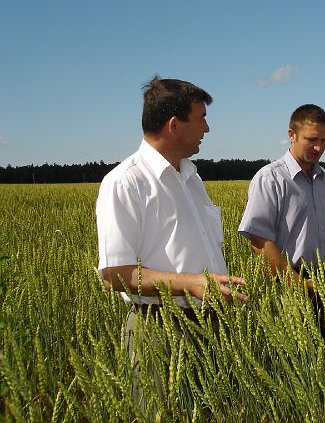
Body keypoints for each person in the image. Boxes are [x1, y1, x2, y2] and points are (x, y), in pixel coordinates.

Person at [96, 77, 247, 408]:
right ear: (174, 125)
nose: (207, 128)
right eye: (201, 118)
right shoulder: (124, 182)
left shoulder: (191, 178)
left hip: (210, 325)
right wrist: (191, 284)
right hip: (158, 329)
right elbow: (115, 273)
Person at [238, 104, 325, 299]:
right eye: (311, 140)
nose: (319, 147)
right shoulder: (270, 177)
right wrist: (298, 283)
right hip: (287, 284)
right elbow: (259, 240)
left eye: (324, 140)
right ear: (291, 134)